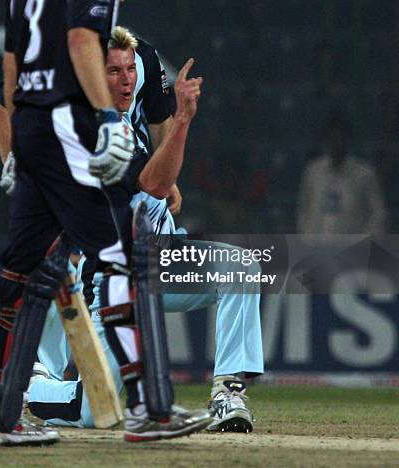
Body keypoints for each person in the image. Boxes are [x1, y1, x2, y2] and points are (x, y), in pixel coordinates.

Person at [0, 0, 210, 446]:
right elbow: (81, 40)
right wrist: (105, 119)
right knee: (127, 258)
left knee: (23, 270)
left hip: (32, 128)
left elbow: (12, 63)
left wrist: (18, 146)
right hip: (69, 128)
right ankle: (149, 409)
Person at [27, 27, 262, 434]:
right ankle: (18, 391)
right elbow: (154, 182)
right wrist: (183, 121)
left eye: (130, 69)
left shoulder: (122, 126)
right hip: (113, 283)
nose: (127, 78)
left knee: (240, 268)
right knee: (92, 412)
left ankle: (228, 392)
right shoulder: (95, 130)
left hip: (159, 260)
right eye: (114, 71)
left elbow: (158, 181)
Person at [0, 0, 183, 212]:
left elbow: (159, 119)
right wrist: (12, 159)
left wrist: (167, 177)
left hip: (135, 187)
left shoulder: (144, 56)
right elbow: (2, 108)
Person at [297, 117, 387, 235]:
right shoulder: (313, 171)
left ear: (348, 140)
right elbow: (303, 209)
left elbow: (378, 215)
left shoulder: (364, 175)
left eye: (340, 138)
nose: (336, 143)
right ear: (327, 140)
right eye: (333, 138)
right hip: (316, 248)